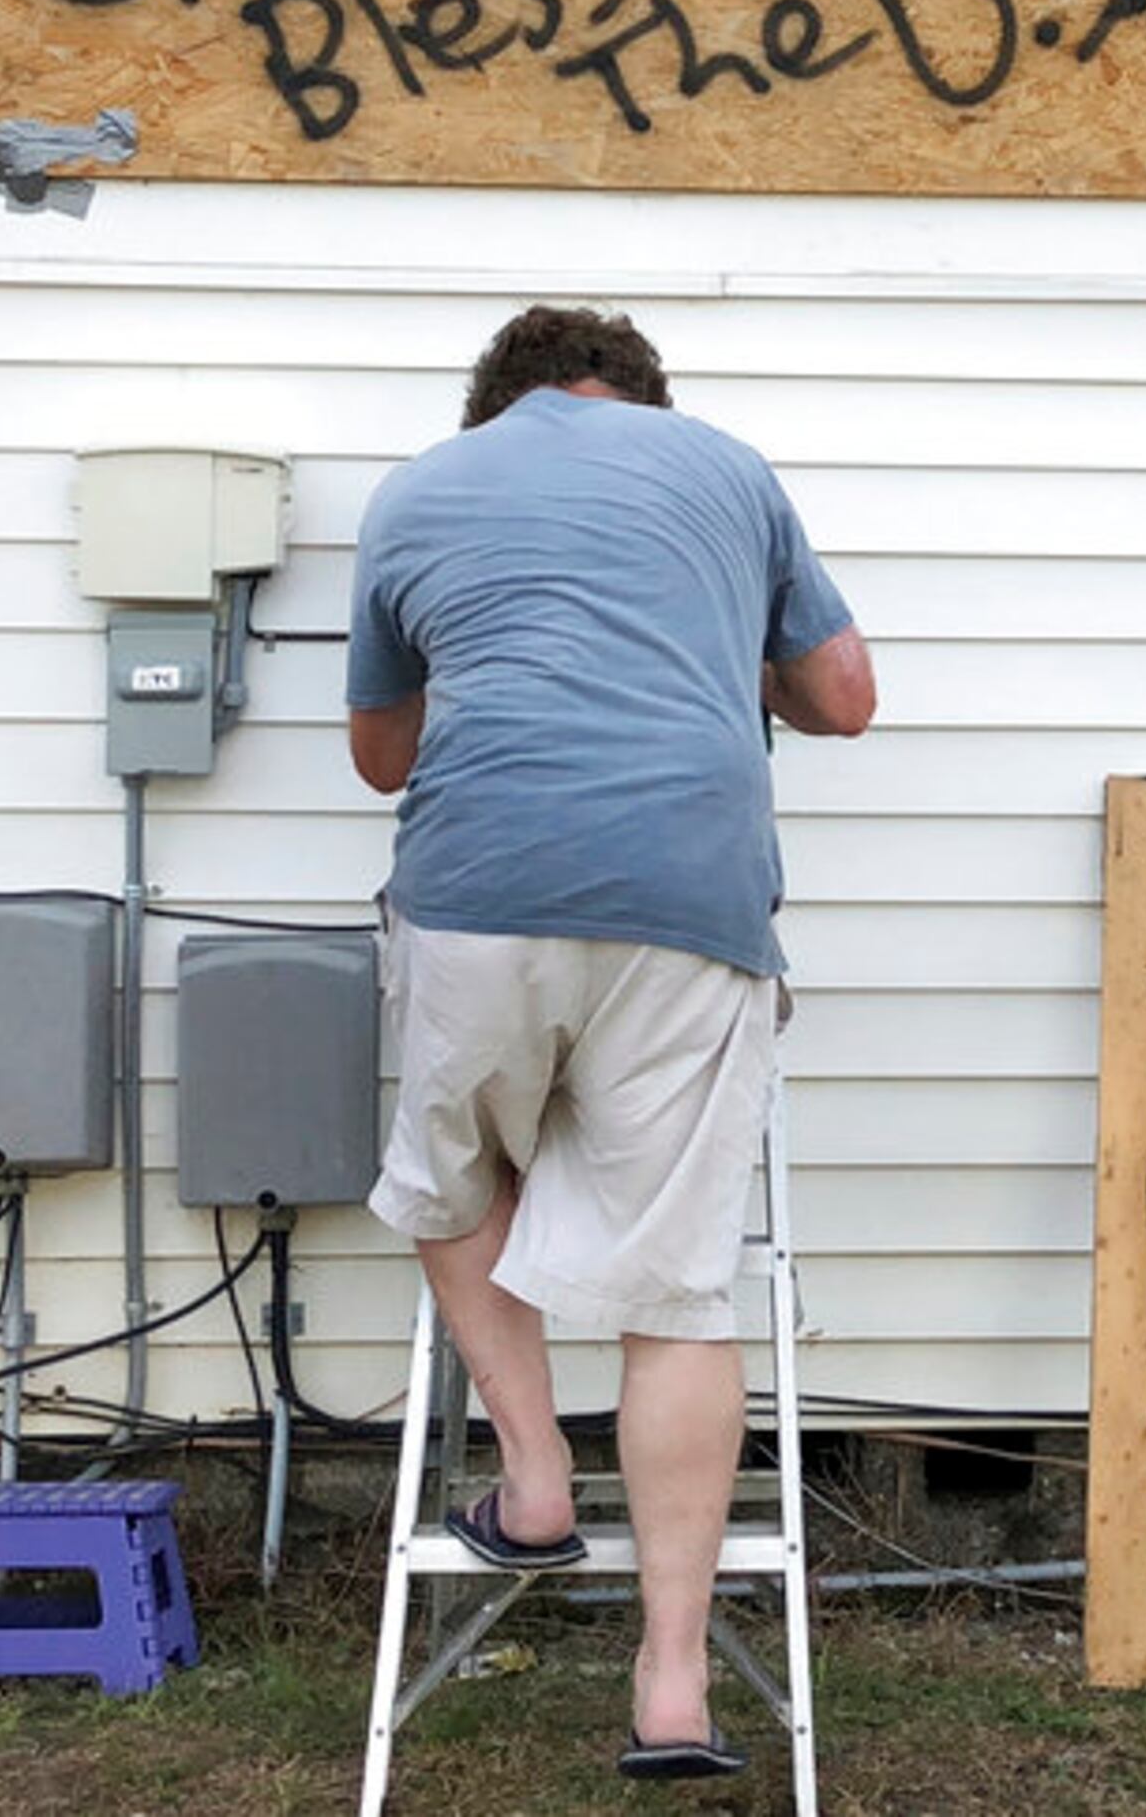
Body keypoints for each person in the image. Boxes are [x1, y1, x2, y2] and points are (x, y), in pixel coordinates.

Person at [346, 305, 873, 1782]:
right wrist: (722, 661)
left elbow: (382, 758)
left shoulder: (416, 492)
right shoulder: (725, 469)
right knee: (679, 1284)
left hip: (478, 902)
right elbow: (844, 698)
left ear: (495, 405)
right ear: (640, 397)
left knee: (445, 1179)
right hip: (689, 906)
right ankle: (674, 1685)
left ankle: (528, 1477)